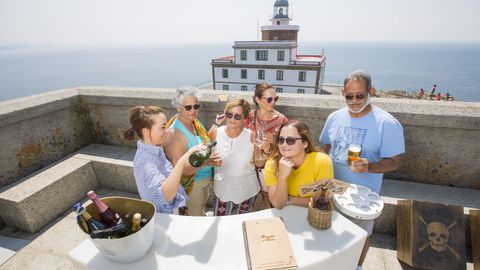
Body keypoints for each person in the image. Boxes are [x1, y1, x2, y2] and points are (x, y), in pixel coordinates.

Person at [319, 70, 405, 270]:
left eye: (360, 95)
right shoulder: (334, 117)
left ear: (370, 92)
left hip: (362, 196)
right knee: (331, 234)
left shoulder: (387, 123)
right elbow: (325, 148)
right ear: (343, 94)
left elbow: (394, 162)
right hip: (332, 189)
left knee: (360, 235)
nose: (354, 101)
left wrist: (371, 166)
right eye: (349, 96)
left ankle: (356, 266)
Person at [124, 105, 205, 214]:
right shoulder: (145, 163)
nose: (167, 131)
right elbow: (164, 197)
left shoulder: (155, 148)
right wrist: (181, 162)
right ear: (146, 132)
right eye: (162, 127)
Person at [165, 87, 221, 216]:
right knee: (194, 220)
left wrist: (216, 124)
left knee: (200, 210)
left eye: (196, 106)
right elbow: (180, 169)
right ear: (179, 107)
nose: (193, 110)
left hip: (203, 183)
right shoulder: (175, 134)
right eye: (188, 107)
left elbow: (204, 141)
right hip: (192, 187)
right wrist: (207, 162)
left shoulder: (193, 122)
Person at [264, 120, 333, 208]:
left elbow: (322, 201)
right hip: (285, 214)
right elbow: (278, 204)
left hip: (314, 216)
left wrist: (289, 199)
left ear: (305, 143)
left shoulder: (321, 161)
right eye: (280, 140)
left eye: (291, 140)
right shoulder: (272, 164)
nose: (284, 145)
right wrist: (282, 177)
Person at [208, 98, 260, 215]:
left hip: (247, 191)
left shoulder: (252, 136)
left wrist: (264, 150)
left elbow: (259, 164)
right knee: (222, 225)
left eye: (237, 116)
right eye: (229, 114)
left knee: (241, 225)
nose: (232, 119)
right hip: (222, 191)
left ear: (245, 118)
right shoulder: (216, 132)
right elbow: (205, 146)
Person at [245, 83, 288, 194]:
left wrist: (272, 142)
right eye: (269, 99)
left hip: (269, 171)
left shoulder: (282, 120)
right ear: (258, 100)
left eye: (275, 99)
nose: (273, 102)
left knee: (269, 201)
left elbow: (289, 148)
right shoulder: (248, 117)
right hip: (248, 170)